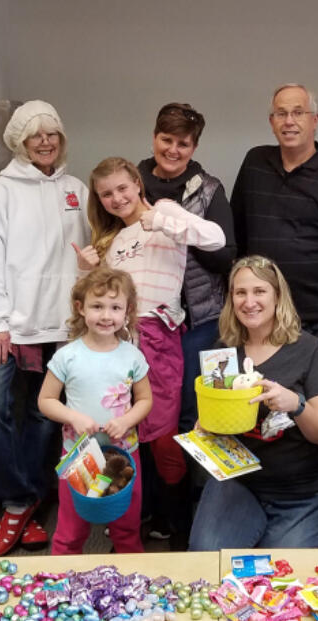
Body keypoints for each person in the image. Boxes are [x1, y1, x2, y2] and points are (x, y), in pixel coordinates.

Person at [231, 83, 318, 523]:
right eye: (280, 113)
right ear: (271, 120)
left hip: (317, 325)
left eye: (298, 113)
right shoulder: (254, 164)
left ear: (314, 120)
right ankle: (249, 504)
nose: (289, 121)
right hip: (259, 325)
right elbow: (238, 239)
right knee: (256, 417)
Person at [77, 157, 225, 542]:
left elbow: (216, 239)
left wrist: (162, 220)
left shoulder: (166, 211)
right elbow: (101, 302)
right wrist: (85, 270)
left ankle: (179, 528)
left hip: (158, 337)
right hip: (117, 343)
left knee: (161, 436)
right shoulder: (111, 240)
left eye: (123, 188)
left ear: (138, 185)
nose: (116, 198)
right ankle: (133, 527)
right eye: (106, 193)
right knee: (122, 435)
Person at [0, 100, 90, 556]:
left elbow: (91, 251)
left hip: (63, 327)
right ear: (18, 142)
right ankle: (20, 499)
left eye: (53, 134)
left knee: (46, 418)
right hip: (11, 325)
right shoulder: (0, 191)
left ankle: (24, 505)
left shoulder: (77, 189)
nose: (45, 142)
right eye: (35, 135)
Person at [189, 255, 318, 549]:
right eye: (240, 292)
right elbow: (218, 428)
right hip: (239, 485)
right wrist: (206, 432)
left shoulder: (309, 350)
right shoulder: (222, 352)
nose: (249, 302)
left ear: (277, 296)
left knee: (282, 584)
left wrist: (296, 404)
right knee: (206, 564)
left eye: (259, 291)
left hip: (301, 494)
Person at [137, 102, 236, 544]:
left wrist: (178, 227)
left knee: (190, 416)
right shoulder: (131, 181)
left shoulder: (208, 188)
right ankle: (147, 509)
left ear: (194, 146)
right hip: (142, 320)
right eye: (166, 139)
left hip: (197, 320)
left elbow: (225, 255)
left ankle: (189, 516)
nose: (173, 150)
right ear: (154, 137)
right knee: (145, 414)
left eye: (183, 143)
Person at [38, 267, 152, 554]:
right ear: (80, 308)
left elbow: (145, 400)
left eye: (115, 307)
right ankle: (61, 584)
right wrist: (73, 416)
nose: (106, 315)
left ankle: (134, 585)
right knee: (71, 531)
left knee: (126, 529)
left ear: (128, 311)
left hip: (124, 453)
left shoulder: (132, 355)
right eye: (97, 306)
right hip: (78, 455)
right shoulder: (67, 356)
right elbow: (46, 400)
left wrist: (126, 420)